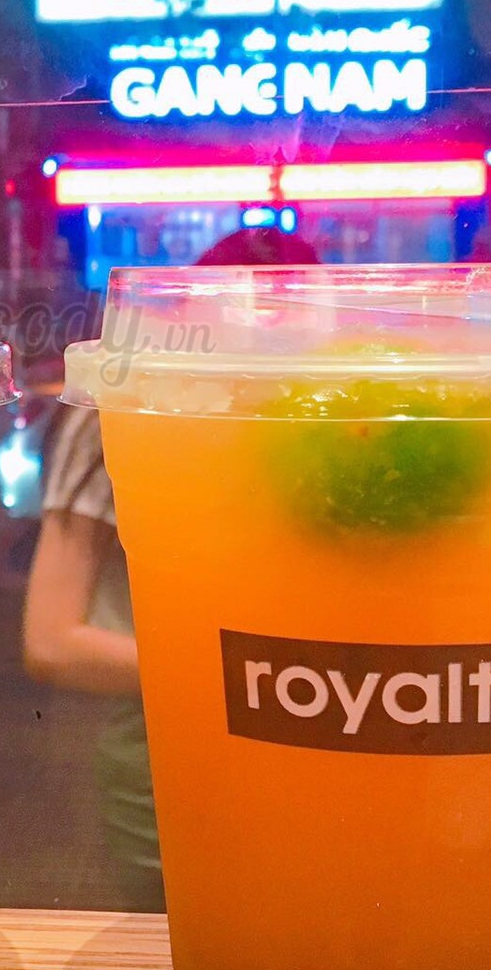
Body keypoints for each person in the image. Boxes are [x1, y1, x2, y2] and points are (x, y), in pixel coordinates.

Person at [23, 226, 318, 910]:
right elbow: (51, 640)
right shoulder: (130, 409)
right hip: (166, 758)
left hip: (289, 749)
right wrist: (256, 680)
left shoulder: (304, 418)